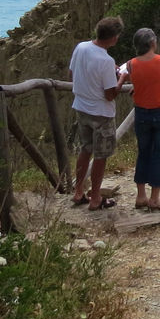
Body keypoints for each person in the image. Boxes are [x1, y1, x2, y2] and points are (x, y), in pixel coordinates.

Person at [69, 16, 125, 211]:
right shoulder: (106, 60)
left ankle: (78, 192)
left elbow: (72, 74)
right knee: (101, 155)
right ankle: (95, 197)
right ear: (114, 38)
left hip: (81, 107)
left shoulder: (81, 47)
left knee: (85, 149)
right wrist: (122, 78)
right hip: (101, 113)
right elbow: (110, 95)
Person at [125, 27, 160, 211]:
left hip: (142, 112)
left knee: (143, 151)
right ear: (152, 43)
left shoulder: (131, 64)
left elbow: (137, 85)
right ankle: (155, 199)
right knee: (159, 154)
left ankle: (141, 196)